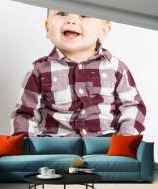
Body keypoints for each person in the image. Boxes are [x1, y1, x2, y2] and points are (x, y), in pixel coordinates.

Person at [10, 9, 146, 137]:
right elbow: (25, 114)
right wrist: (25, 148)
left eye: (84, 15)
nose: (71, 20)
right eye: (62, 13)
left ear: (103, 31)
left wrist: (126, 138)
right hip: (55, 149)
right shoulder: (39, 70)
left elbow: (132, 105)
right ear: (47, 28)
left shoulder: (115, 68)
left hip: (106, 148)